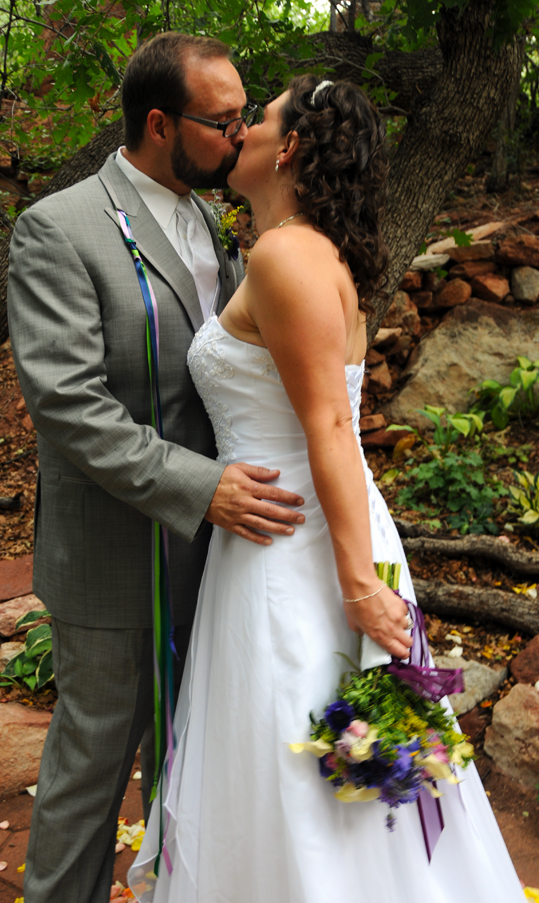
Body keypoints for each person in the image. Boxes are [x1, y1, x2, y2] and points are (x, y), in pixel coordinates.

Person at [129, 77, 525, 902]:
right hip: (275, 533)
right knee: (310, 762)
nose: (240, 131)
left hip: (300, 552)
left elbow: (332, 430)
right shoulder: (288, 250)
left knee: (313, 757)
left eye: (257, 119)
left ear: (294, 146)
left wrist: (355, 585)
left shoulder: (287, 256)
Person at [7, 32, 306, 903]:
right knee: (91, 769)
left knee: (188, 760)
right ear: (158, 124)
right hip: (114, 553)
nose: (242, 132)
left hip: (218, 554)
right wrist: (200, 486)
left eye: (244, 113)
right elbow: (68, 406)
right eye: (222, 120)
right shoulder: (59, 229)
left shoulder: (217, 219)